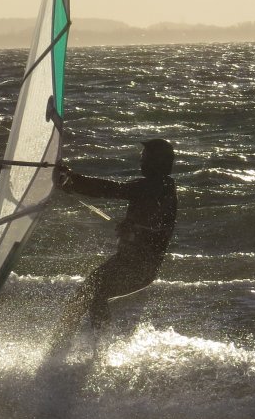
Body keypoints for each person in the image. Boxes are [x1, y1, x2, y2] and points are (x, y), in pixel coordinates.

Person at [54, 138, 178, 335]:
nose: (141, 161)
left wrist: (73, 179)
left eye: (145, 157)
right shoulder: (161, 186)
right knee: (89, 294)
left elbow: (114, 189)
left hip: (138, 267)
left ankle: (95, 350)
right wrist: (136, 228)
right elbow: (153, 223)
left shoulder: (156, 186)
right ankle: (73, 346)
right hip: (130, 263)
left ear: (157, 162)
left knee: (92, 294)